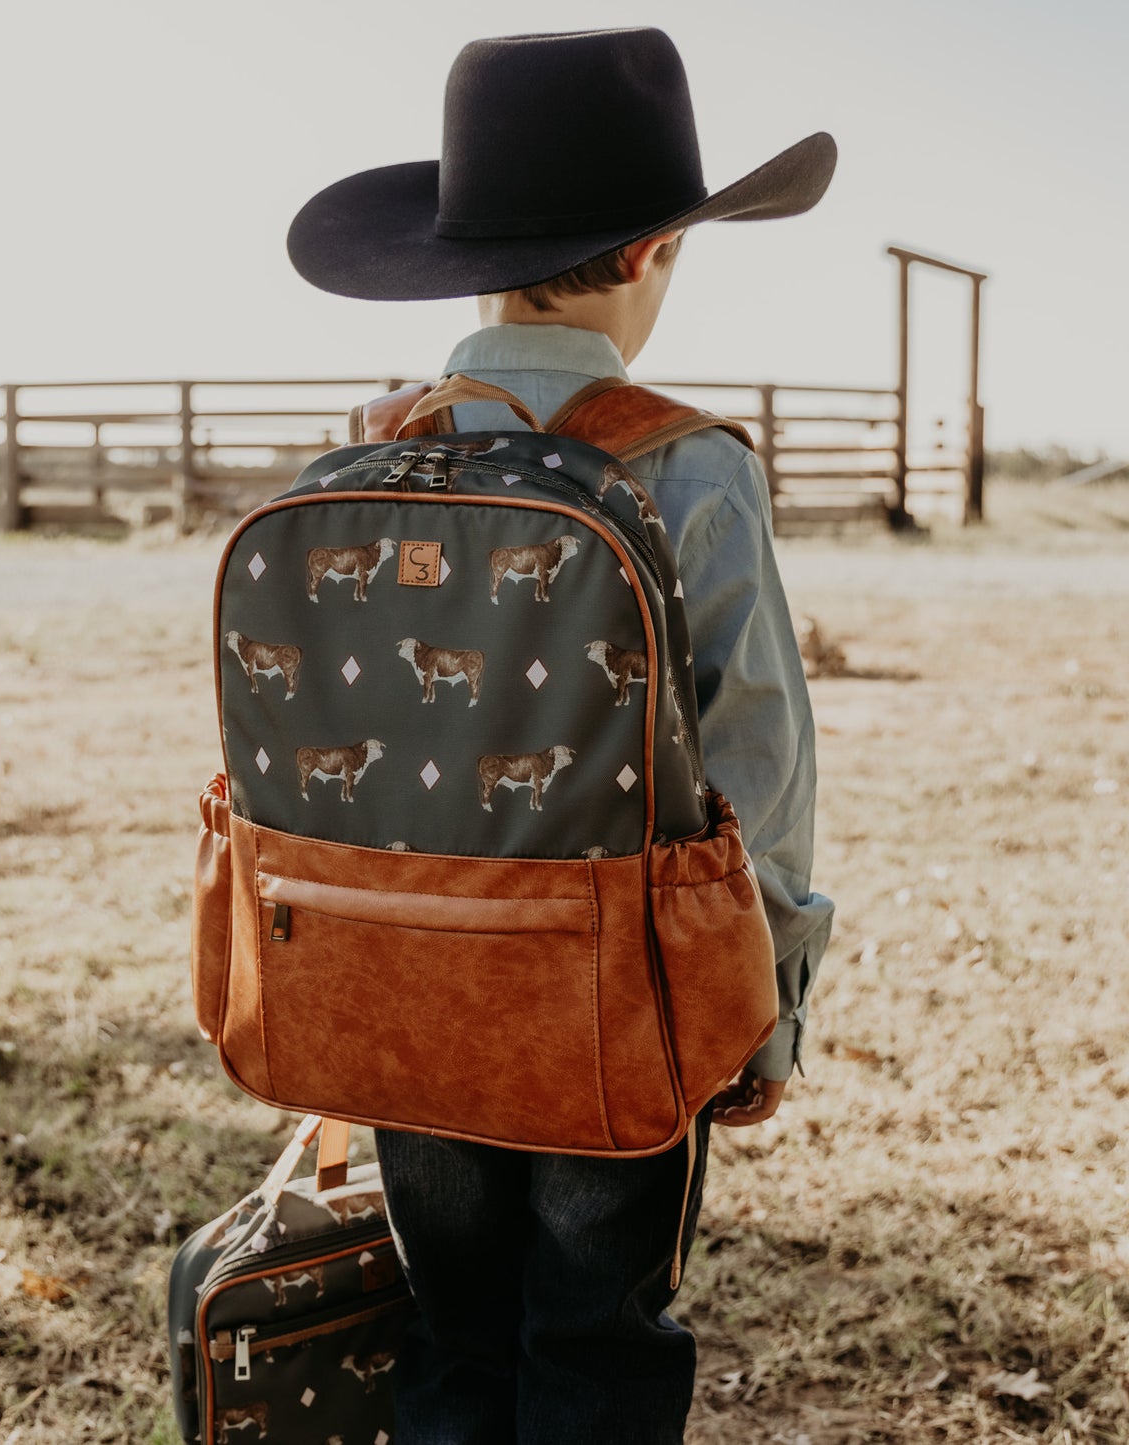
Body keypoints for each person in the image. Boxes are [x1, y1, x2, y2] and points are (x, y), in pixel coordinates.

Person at [285, 27, 836, 1444]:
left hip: (402, 984)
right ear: (650, 252)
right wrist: (762, 1001)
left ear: (457, 251)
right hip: (619, 998)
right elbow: (753, 753)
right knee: (595, 1333)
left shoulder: (363, 456)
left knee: (454, 1330)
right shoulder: (687, 462)